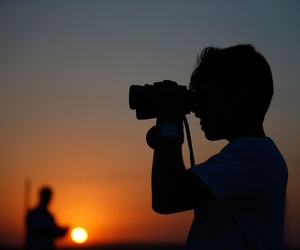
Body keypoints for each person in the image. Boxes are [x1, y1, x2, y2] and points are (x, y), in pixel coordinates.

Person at [148, 44, 288, 249]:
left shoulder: (252, 155)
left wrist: (169, 120)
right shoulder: (255, 155)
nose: (197, 111)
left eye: (206, 97)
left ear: (238, 98)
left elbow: (167, 197)